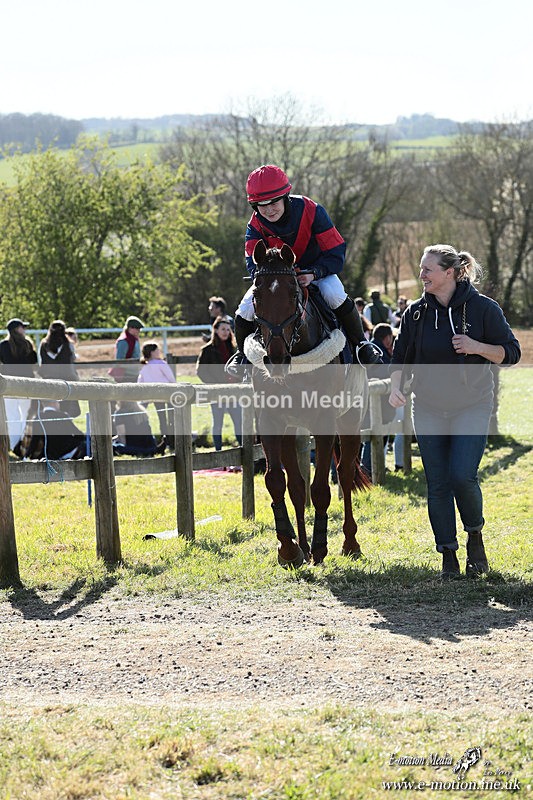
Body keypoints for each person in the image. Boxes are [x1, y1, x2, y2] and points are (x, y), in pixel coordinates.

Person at [389, 244, 521, 580]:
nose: (422, 276)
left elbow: (512, 353)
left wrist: (476, 347)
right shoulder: (415, 314)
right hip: (429, 407)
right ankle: (448, 553)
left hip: (472, 405)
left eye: (427, 270)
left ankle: (474, 536)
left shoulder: (483, 309)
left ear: (449, 272)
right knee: (437, 483)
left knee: (462, 475)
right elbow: (400, 357)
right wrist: (394, 387)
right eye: (421, 269)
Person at [226, 164, 381, 375]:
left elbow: (336, 253)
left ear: (285, 196)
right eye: (261, 205)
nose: (269, 210)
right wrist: (268, 281)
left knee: (335, 295)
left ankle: (362, 345)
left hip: (317, 271)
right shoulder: (254, 225)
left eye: (274, 202)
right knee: (244, 309)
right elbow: (253, 263)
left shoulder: (312, 211)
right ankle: (241, 355)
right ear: (254, 206)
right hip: (278, 280)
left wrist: (314, 273)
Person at [196, 316, 243, 451]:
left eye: (228, 329)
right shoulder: (207, 350)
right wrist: (215, 384)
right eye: (223, 329)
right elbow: (201, 372)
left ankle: (243, 452)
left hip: (234, 391)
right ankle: (218, 452)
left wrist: (237, 379)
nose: (226, 332)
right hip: (216, 392)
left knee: (239, 423)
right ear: (215, 330)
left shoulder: (235, 349)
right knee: (218, 423)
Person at [360, 323, 398, 476]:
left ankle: (373, 467)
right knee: (373, 436)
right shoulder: (378, 352)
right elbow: (385, 373)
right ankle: (368, 469)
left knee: (376, 436)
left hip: (375, 401)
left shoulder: (374, 348)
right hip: (376, 402)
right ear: (387, 337)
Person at [0, 318, 38, 450]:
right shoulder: (27, 344)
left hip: (9, 384)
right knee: (24, 415)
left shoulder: (3, 345)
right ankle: (23, 444)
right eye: (23, 327)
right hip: (26, 384)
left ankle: (13, 444)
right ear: (17, 329)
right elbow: (35, 364)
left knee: (12, 415)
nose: (25, 330)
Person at [137, 341, 176, 452]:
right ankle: (171, 441)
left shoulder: (145, 367)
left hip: (155, 396)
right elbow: (171, 378)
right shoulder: (161, 364)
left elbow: (140, 382)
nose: (159, 352)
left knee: (162, 419)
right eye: (157, 350)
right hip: (168, 394)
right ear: (152, 352)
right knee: (171, 419)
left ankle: (165, 440)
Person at [19, 399, 87, 460]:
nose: (59, 404)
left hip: (51, 453)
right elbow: (78, 434)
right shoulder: (62, 416)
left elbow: (35, 439)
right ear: (53, 403)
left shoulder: (38, 418)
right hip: (67, 450)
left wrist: (27, 455)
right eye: (58, 402)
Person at [39, 320, 80, 418]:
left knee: (51, 410)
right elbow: (72, 360)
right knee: (67, 409)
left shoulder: (44, 345)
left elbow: (42, 362)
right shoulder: (68, 345)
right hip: (66, 380)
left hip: (49, 380)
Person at [110, 316, 144, 382]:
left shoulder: (134, 339)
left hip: (134, 373)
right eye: (137, 328)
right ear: (130, 328)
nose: (139, 330)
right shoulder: (123, 341)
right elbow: (120, 360)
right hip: (126, 375)